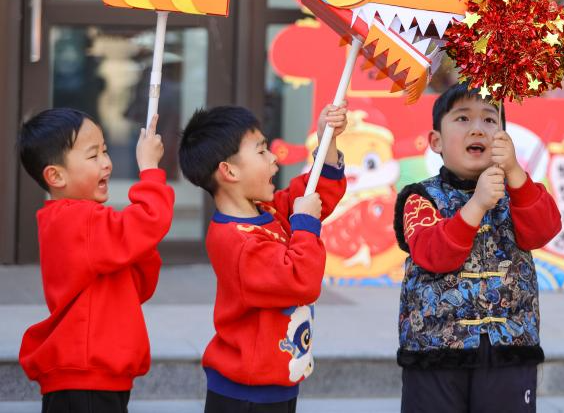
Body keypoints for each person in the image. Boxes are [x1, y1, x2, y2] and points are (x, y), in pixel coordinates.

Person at [393, 83, 562, 413]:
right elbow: (433, 253)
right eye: (462, 118)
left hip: (509, 351)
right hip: (435, 353)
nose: (477, 128)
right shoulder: (419, 197)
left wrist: (514, 173)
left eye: (489, 119)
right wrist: (477, 203)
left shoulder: (519, 190)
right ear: (436, 142)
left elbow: (544, 230)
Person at [178, 103, 347, 413]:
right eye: (261, 151)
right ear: (229, 171)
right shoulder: (236, 241)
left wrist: (328, 139)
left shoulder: (266, 211)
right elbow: (300, 280)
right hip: (246, 394)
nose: (274, 158)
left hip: (275, 382)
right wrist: (306, 224)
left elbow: (314, 192)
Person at [18, 109, 171, 413]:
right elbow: (148, 221)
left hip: (94, 376)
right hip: (85, 378)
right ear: (56, 176)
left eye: (105, 151)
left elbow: (137, 286)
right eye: (93, 156)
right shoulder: (77, 219)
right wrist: (150, 169)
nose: (107, 163)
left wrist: (139, 243)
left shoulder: (81, 221)